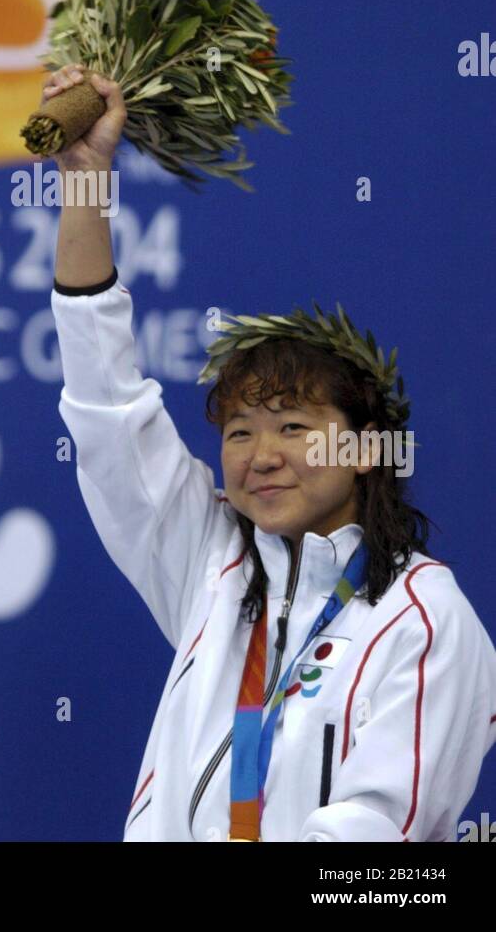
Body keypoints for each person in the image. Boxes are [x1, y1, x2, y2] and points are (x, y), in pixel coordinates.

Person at [46, 64, 496, 842]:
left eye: (293, 427)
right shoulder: (207, 560)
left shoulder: (423, 620)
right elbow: (106, 407)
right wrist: (85, 183)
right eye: (238, 431)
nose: (260, 455)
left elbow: (373, 839)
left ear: (365, 449)